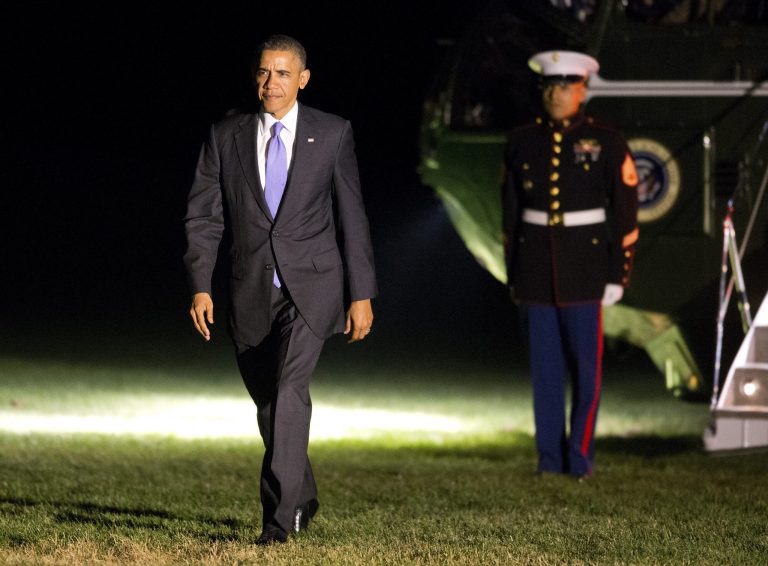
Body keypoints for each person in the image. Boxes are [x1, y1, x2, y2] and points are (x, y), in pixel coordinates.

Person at [184, 34, 377, 544]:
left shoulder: (332, 133)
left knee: (290, 392)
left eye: (284, 73)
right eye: (264, 72)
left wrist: (361, 293)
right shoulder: (225, 135)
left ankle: (277, 522)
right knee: (270, 405)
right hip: (249, 289)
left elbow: (352, 216)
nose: (272, 83)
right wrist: (200, 285)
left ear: (303, 79)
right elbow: (203, 217)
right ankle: (303, 494)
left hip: (312, 288)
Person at [501, 50, 639, 480]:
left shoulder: (606, 140)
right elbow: (510, 215)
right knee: (545, 374)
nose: (555, 95)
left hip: (585, 270)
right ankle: (548, 460)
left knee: (586, 374)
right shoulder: (522, 140)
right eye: (549, 86)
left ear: (583, 90)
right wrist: (514, 272)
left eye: (565, 87)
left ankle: (579, 458)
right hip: (536, 271)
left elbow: (625, 211)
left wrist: (618, 273)